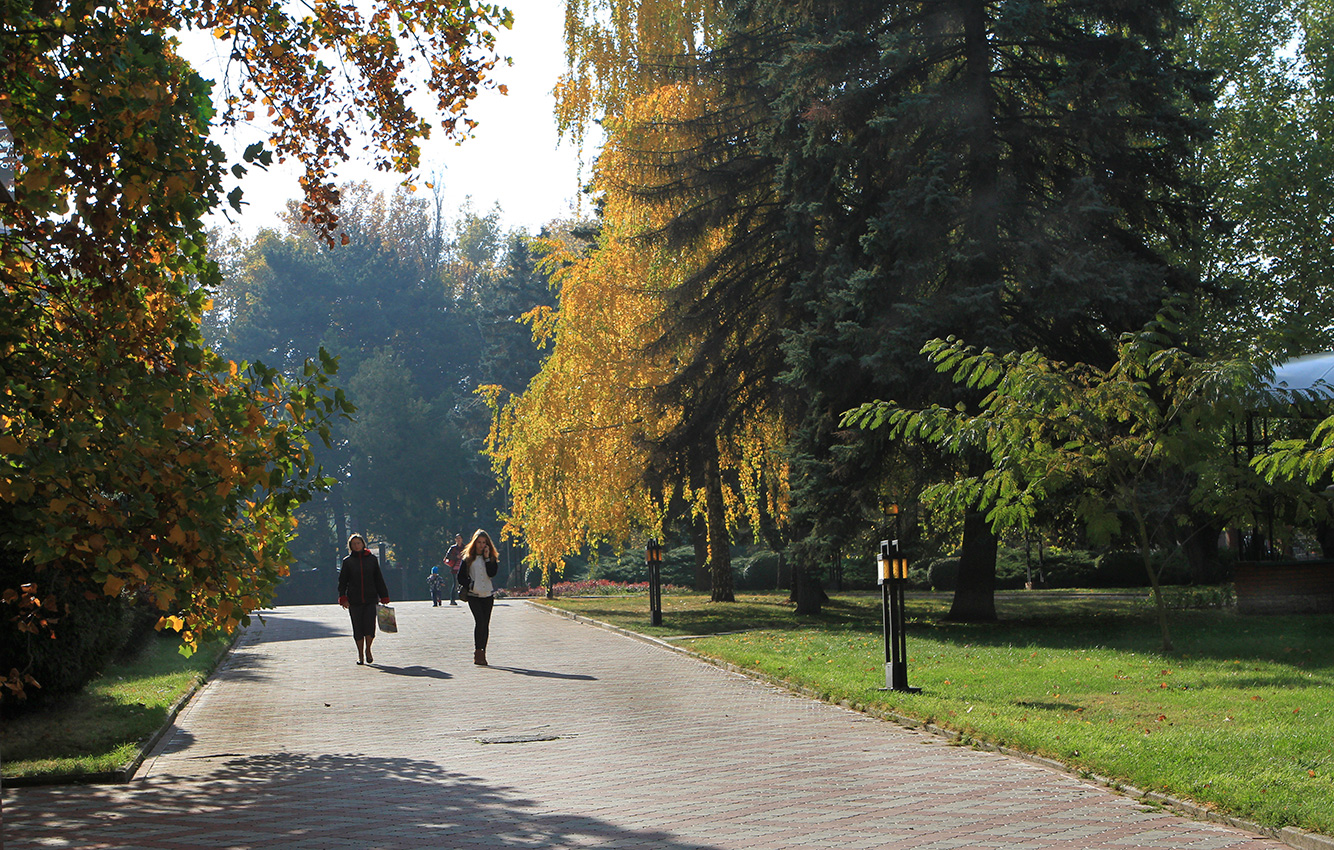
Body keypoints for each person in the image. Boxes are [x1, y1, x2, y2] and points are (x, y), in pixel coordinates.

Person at [338, 534, 390, 665]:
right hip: (354, 600)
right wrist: (343, 597)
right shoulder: (347, 561)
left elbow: (378, 578)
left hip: (370, 598)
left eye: (358, 543)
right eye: (353, 544)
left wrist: (384, 595)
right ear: (350, 546)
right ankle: (360, 654)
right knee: (358, 628)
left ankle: (368, 650)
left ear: (363, 544)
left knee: (369, 627)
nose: (356, 546)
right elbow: (342, 582)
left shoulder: (372, 560)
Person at [456, 528, 500, 666]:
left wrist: (487, 558)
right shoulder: (468, 558)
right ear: (474, 543)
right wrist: (470, 584)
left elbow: (492, 573)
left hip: (487, 594)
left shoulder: (491, 558)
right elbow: (460, 577)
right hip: (473, 595)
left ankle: (483, 653)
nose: (481, 545)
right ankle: (477, 651)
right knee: (479, 621)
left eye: (484, 542)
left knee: (485, 624)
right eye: (479, 542)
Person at [444, 533, 464, 605]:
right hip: (455, 568)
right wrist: (456, 557)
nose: (458, 540)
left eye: (460, 538)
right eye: (457, 538)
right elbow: (447, 556)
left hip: (463, 568)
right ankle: (452, 600)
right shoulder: (453, 548)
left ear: (462, 539)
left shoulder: (465, 547)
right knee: (455, 584)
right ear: (455, 539)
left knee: (465, 583)